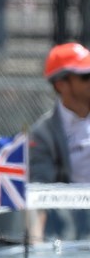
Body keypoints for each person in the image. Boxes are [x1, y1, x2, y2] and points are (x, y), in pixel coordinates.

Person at [29, 42, 90, 184]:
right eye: (86, 76)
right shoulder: (42, 134)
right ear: (61, 85)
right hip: (69, 206)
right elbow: (41, 187)